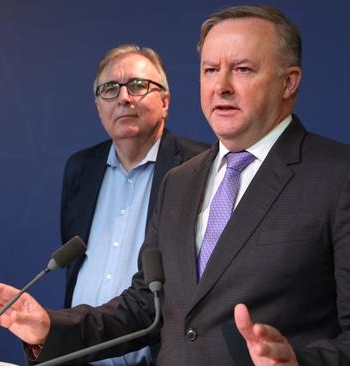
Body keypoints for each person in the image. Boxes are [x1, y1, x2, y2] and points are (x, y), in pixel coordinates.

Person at [0, 5, 350, 365]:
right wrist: (50, 326)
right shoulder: (180, 181)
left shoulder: (346, 176)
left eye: (242, 69)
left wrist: (301, 361)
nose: (221, 87)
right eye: (209, 70)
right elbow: (146, 307)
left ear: (288, 82)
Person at [61, 44, 208, 365]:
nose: (124, 98)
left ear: (165, 101)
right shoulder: (80, 168)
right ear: (99, 106)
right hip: (80, 356)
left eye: (138, 86)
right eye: (110, 89)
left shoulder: (199, 166)